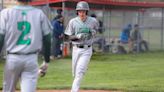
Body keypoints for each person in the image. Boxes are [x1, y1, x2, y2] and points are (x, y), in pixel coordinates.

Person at [0, 0, 52, 92]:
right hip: (31, 59)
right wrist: (46, 60)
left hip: (12, 58)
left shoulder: (6, 13)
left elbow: (0, 38)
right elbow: (47, 38)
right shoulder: (39, 14)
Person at [64, 1, 99, 92]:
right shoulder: (73, 22)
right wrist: (77, 36)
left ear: (87, 11)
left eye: (84, 11)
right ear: (77, 12)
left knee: (80, 72)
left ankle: (74, 90)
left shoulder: (93, 21)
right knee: (75, 73)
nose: (82, 13)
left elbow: (96, 30)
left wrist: (93, 33)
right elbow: (67, 37)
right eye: (80, 11)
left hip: (87, 50)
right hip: (76, 49)